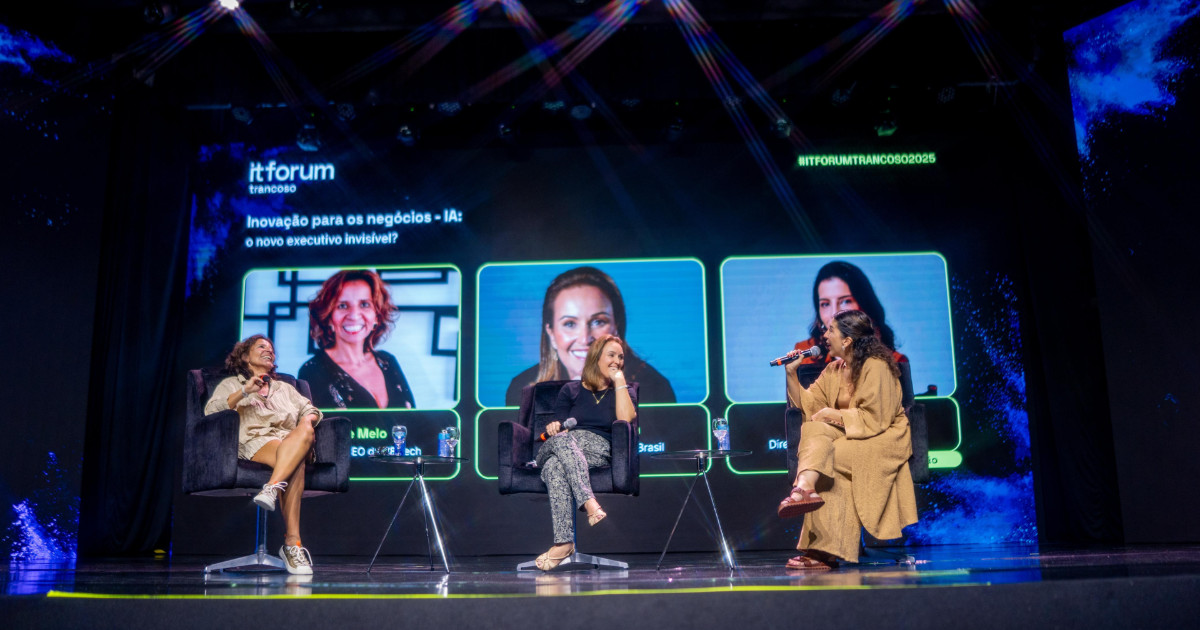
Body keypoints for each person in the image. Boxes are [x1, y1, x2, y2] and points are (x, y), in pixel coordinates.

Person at [777, 310, 918, 570]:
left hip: (884, 438)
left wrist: (832, 413)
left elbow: (877, 419)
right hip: (850, 435)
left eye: (831, 330)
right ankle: (805, 489)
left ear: (847, 340)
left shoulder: (876, 366)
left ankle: (823, 551)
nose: (825, 335)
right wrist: (791, 374)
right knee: (814, 432)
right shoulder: (834, 369)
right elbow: (809, 408)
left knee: (831, 455)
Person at [204, 334, 323, 575]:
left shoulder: (285, 388)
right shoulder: (231, 385)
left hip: (292, 439)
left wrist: (307, 420)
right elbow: (211, 412)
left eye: (271, 349)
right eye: (261, 347)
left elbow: (311, 409)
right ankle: (292, 545)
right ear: (245, 356)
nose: (269, 351)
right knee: (297, 458)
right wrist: (244, 392)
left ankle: (271, 488)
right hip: (257, 442)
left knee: (305, 430)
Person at [531, 334, 638, 571]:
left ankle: (564, 542)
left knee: (553, 467)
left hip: (597, 449)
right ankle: (588, 500)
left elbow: (625, 419)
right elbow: (558, 427)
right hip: (563, 443)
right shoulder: (571, 390)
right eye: (611, 355)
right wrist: (553, 427)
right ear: (596, 357)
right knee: (560, 443)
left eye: (620, 357)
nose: (617, 361)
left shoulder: (623, 391)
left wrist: (619, 380)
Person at [504, 266, 674, 405]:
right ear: (551, 333)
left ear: (617, 327)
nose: (585, 339)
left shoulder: (653, 389)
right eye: (570, 324)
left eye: (598, 322)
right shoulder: (523, 390)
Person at [299, 269, 416, 409]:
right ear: (328, 317)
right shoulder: (312, 372)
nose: (354, 315)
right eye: (342, 306)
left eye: (364, 304)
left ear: (377, 315)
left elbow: (414, 420)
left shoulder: (388, 361)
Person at [794, 261, 908, 366]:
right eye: (825, 304)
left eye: (845, 301)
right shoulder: (805, 353)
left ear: (865, 305)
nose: (834, 313)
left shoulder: (895, 361)